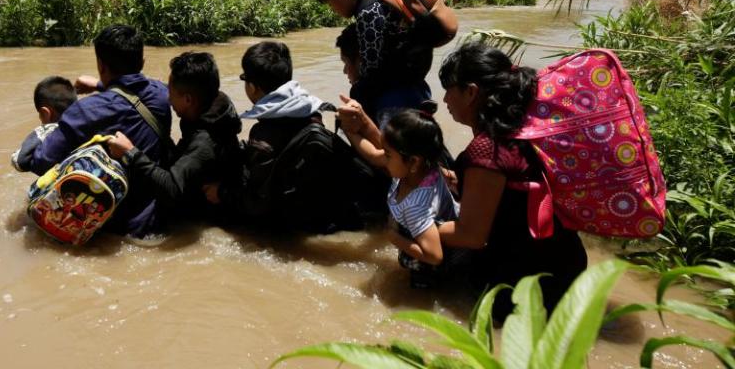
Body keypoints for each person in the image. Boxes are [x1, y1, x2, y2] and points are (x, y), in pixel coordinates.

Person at [436, 41, 587, 320]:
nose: (444, 100)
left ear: (470, 92)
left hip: (527, 283)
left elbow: (471, 235)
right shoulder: (528, 127)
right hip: (567, 264)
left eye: (448, 90)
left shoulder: (487, 148)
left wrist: (417, 229)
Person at [27, 24, 172, 237]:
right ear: (142, 62)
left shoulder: (86, 111)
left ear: (100, 65)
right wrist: (100, 85)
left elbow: (41, 162)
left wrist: (44, 128)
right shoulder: (163, 93)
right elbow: (134, 95)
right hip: (161, 215)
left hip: (118, 231)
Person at [314, 0, 457, 127]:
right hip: (417, 87)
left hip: (394, 98)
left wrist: (355, 101)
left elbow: (371, 69)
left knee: (394, 150)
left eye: (331, 5)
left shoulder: (367, 13)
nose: (334, 11)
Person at [105, 51, 242, 221]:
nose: (168, 99)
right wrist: (102, 85)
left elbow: (172, 189)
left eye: (170, 92)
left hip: (208, 216)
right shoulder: (214, 104)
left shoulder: (205, 142)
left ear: (188, 100)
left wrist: (131, 153)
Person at [339, 106, 463, 288]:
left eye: (388, 155)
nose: (384, 158)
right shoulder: (428, 168)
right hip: (435, 235)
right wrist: (348, 130)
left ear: (413, 161)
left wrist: (394, 238)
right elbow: (373, 155)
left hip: (431, 267)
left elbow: (434, 256)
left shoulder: (416, 207)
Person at [204, 41, 330, 220]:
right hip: (311, 205)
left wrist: (221, 193)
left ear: (252, 87)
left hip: (282, 221)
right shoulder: (311, 110)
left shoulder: (263, 135)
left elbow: (256, 202)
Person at [10, 75, 77, 172]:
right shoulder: (84, 124)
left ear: (45, 113)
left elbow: (20, 161)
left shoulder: (46, 131)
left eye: (40, 114)